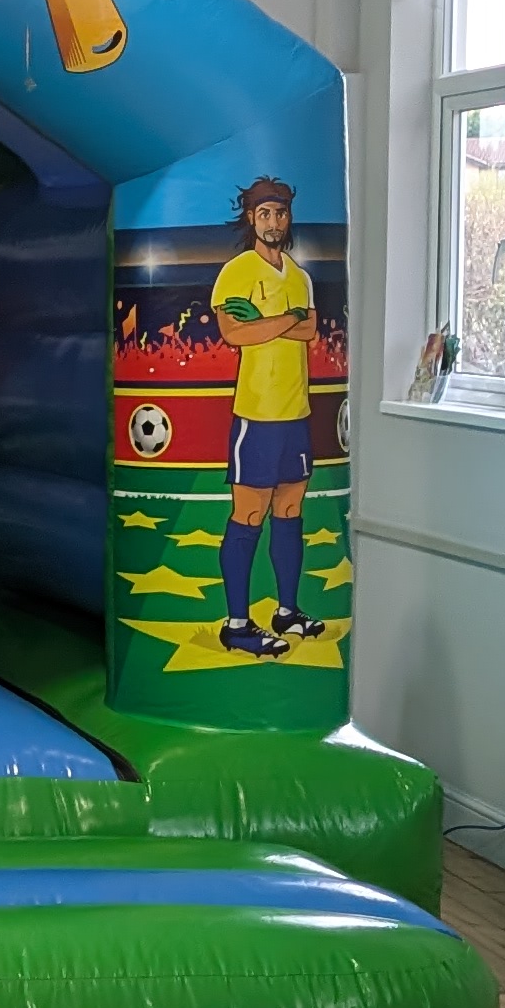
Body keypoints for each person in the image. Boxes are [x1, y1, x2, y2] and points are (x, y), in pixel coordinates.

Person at [209, 177, 321, 655]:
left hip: (297, 413)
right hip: (256, 415)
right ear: (252, 219)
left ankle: (287, 610)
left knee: (290, 510)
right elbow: (235, 333)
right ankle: (237, 623)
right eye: (265, 214)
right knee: (249, 512)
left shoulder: (299, 276)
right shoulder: (236, 272)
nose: (274, 222)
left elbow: (312, 328)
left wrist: (270, 323)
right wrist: (287, 321)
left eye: (280, 213)